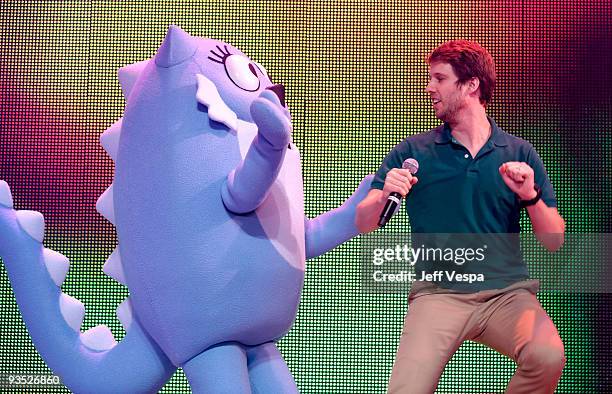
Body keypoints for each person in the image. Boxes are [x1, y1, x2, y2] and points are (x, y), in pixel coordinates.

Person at [355, 40, 566, 393]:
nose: (429, 88)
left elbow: (554, 239)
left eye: (439, 78)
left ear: (471, 85)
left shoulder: (518, 152)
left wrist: (530, 196)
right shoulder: (413, 153)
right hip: (439, 294)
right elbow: (364, 223)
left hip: (507, 293)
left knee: (547, 355)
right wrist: (383, 194)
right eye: (430, 78)